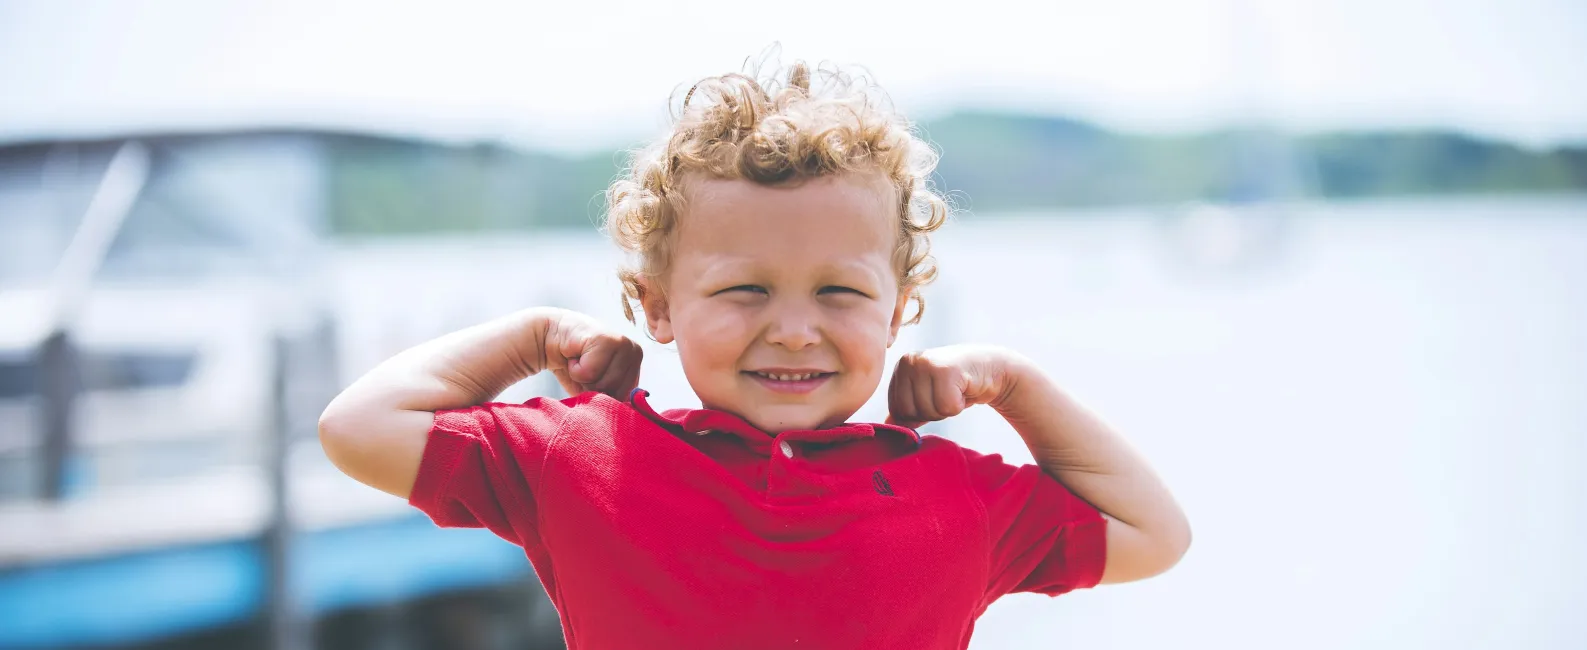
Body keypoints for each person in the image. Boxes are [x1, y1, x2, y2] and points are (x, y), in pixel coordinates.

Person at [318, 59, 1190, 650]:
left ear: (899, 314)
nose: (795, 328)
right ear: (658, 307)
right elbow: (358, 426)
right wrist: (536, 334)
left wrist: (1017, 384)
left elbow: (1157, 536)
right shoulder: (584, 455)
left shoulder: (955, 491)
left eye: (841, 294)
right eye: (746, 290)